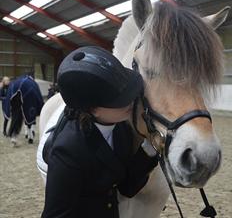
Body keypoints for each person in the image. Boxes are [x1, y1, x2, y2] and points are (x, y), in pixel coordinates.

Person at [41, 46, 159, 218]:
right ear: (94, 110)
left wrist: (150, 146)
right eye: (121, 100)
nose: (132, 101)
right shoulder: (68, 152)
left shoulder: (120, 126)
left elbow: (127, 187)